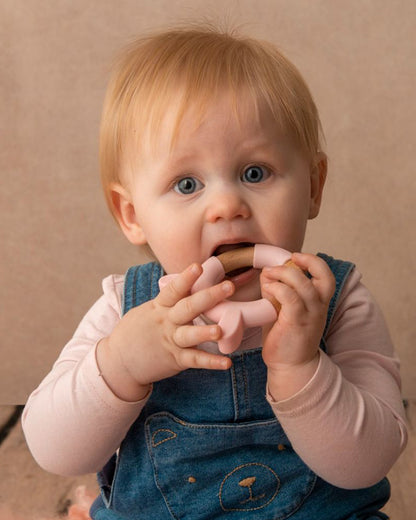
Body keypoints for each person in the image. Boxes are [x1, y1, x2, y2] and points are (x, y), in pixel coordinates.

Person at [22, 25, 407, 519]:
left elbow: (367, 464)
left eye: (255, 173)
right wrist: (120, 365)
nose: (227, 205)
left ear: (313, 186)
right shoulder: (127, 309)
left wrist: (300, 369)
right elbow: (54, 451)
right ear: (133, 215)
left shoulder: (335, 301)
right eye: (187, 184)